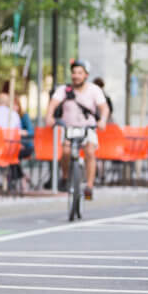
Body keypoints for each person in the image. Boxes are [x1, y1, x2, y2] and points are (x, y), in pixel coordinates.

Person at [45, 59, 108, 200]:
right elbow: (53, 104)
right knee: (66, 152)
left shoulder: (94, 90)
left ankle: (89, 186)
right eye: (74, 72)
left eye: (80, 73)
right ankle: (66, 177)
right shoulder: (64, 90)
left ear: (86, 75)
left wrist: (103, 120)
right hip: (69, 128)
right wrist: (49, 117)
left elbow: (104, 108)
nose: (76, 76)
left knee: (90, 152)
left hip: (88, 127)